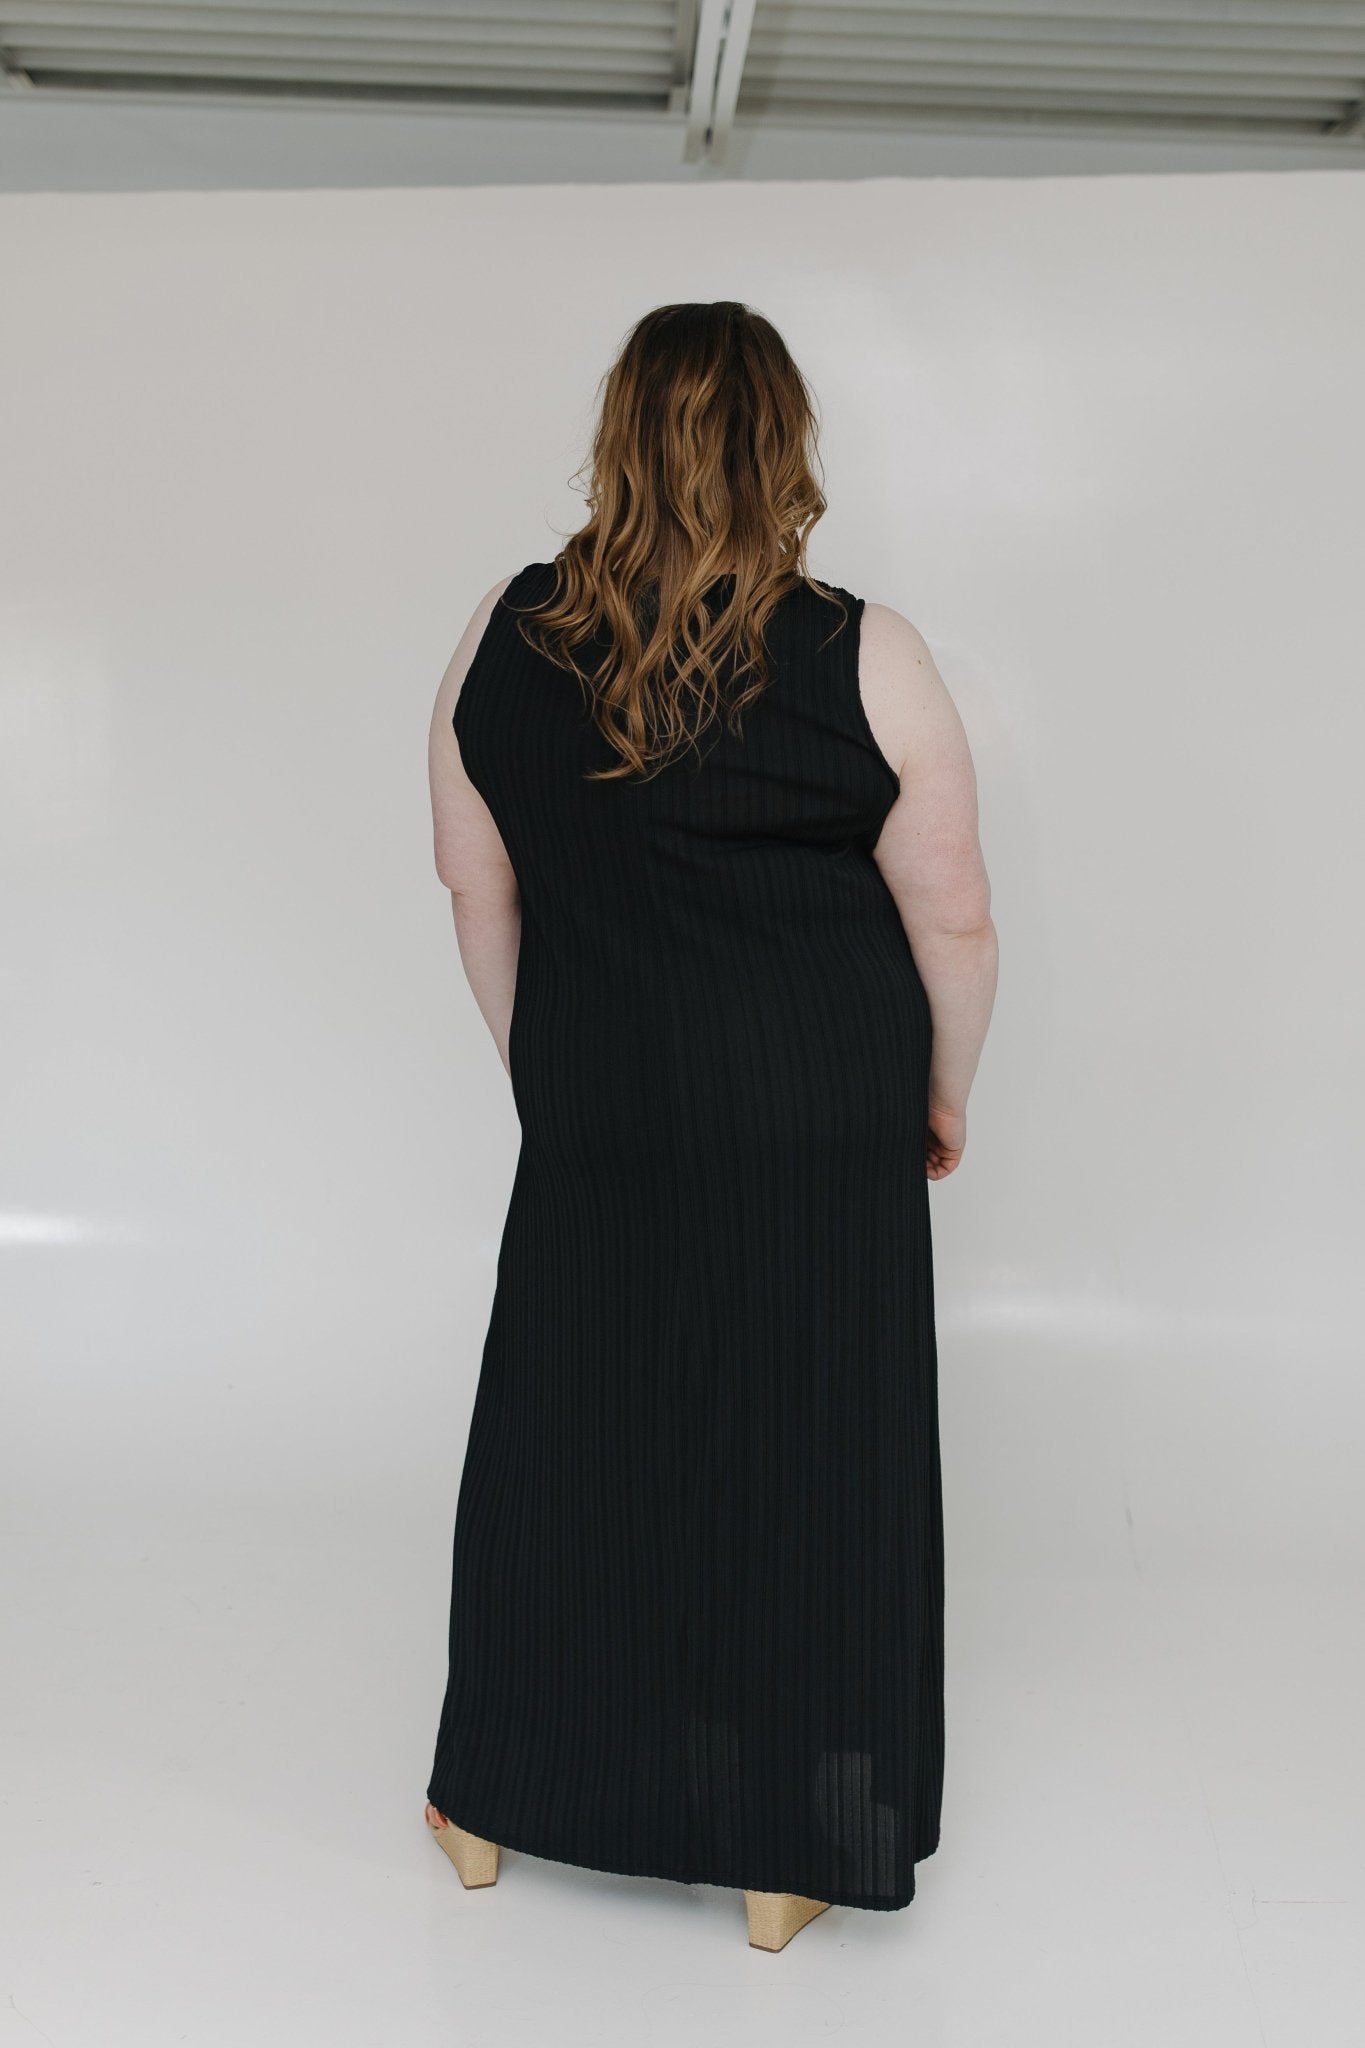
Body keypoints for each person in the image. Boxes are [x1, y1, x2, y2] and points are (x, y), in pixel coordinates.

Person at [423, 301, 998, 1952]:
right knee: (807, 1448)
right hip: (819, 1110)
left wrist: (551, 1077)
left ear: (615, 438)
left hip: (598, 1097)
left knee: (567, 1436)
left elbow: (475, 888)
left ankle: (488, 1802)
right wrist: (942, 1088)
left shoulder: (496, 633)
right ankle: (783, 1853)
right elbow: (952, 916)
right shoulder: (865, 652)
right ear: (782, 447)